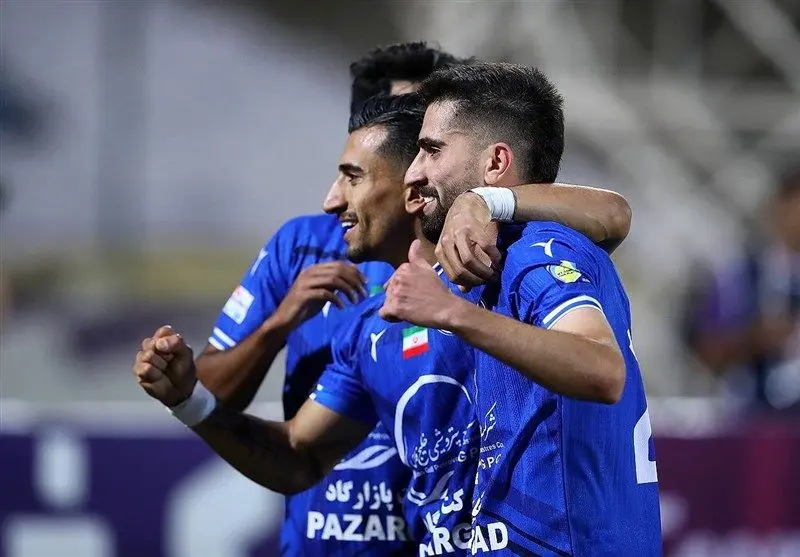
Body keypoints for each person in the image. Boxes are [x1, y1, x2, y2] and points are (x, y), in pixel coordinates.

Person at [133, 90, 632, 554]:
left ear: (411, 192)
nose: (332, 201)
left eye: (353, 177)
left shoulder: (523, 255)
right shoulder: (373, 328)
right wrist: (190, 401)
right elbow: (299, 454)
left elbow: (613, 218)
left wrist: (482, 210)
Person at [195, 42, 472, 557]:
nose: (423, 156)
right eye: (410, 124)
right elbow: (274, 436)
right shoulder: (306, 251)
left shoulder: (485, 258)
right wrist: (277, 325)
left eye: (434, 139)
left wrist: (496, 201)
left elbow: (611, 218)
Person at [381, 62, 662, 555]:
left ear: (495, 162)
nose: (414, 172)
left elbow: (602, 369)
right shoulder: (496, 257)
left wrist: (451, 312)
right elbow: (615, 214)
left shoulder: (536, 250)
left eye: (432, 150)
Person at [684, 169, 800, 413]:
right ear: (780, 207)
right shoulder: (738, 273)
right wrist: (753, 339)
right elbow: (705, 350)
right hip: (754, 415)